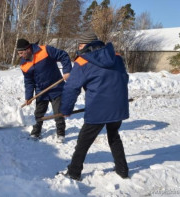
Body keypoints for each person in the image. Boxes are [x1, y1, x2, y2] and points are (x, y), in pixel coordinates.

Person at [60, 31, 130, 180]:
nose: (78, 47)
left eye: (80, 44)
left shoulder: (83, 61)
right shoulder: (116, 57)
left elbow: (72, 87)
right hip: (118, 105)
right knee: (114, 136)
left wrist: (66, 109)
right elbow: (125, 78)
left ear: (87, 45)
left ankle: (73, 172)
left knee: (84, 140)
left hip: (98, 108)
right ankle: (122, 170)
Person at [17, 38, 72, 142]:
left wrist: (67, 71)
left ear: (27, 49)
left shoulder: (45, 50)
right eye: (19, 53)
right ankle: (36, 131)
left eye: (21, 53)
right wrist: (28, 97)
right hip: (41, 90)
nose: (20, 55)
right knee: (39, 113)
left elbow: (63, 55)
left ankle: (60, 133)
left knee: (58, 112)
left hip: (56, 87)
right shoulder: (24, 64)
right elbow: (28, 81)